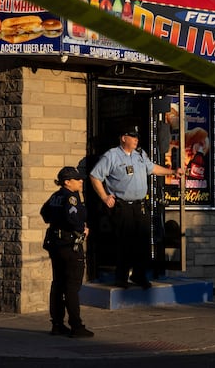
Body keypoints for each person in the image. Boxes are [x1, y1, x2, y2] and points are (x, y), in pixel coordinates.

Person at [89, 127, 182, 289]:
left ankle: (139, 276)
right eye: (132, 136)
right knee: (125, 243)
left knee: (143, 242)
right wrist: (104, 196)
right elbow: (95, 176)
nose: (136, 139)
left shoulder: (140, 154)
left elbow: (152, 168)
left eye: (137, 137)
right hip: (123, 206)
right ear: (123, 138)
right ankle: (121, 278)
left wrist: (172, 171)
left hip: (140, 205)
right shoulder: (112, 155)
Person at [40, 166, 94, 338]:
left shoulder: (55, 196)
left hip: (56, 244)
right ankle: (76, 326)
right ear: (67, 182)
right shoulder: (70, 197)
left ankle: (57, 324)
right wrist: (81, 229)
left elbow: (45, 213)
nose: (81, 181)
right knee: (71, 287)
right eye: (77, 179)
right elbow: (74, 218)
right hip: (70, 245)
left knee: (58, 284)